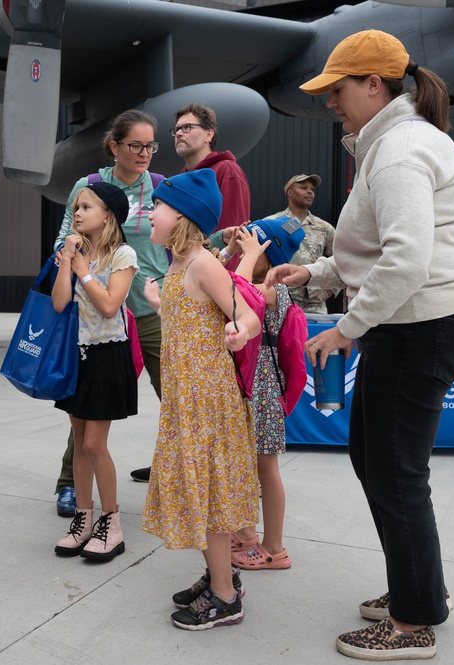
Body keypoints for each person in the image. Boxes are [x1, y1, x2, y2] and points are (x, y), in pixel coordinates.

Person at [267, 30, 454, 659]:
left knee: (394, 472)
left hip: (419, 328)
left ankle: (413, 623)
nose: (330, 101)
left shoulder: (399, 150)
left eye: (336, 89)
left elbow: (407, 260)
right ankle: (419, 589)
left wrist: (346, 327)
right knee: (377, 460)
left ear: (372, 85)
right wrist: (315, 274)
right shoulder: (389, 144)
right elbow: (372, 252)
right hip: (418, 324)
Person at [141, 168, 262, 632]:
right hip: (185, 400)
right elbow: (189, 315)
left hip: (207, 401)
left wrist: (239, 332)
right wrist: (157, 302)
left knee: (209, 494)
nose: (151, 213)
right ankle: (220, 574)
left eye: (158, 206)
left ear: (184, 216)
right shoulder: (176, 265)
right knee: (198, 489)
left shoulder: (203, 263)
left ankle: (226, 598)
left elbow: (247, 314)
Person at [50, 110, 170, 516]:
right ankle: (69, 484)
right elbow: (66, 232)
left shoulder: (160, 187)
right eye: (135, 145)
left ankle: (179, 479)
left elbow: (179, 236)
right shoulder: (90, 187)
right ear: (115, 146)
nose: (144, 153)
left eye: (150, 145)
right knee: (85, 406)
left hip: (149, 308)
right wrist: (70, 257)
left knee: (173, 397)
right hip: (95, 313)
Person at [52, 181, 139, 563]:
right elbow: (58, 305)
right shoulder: (76, 253)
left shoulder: (123, 254)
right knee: (77, 439)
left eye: (86, 207)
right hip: (77, 355)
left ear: (108, 214)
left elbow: (108, 306)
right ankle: (83, 519)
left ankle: (111, 522)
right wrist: (67, 262)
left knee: (93, 444)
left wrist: (84, 270)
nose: (78, 213)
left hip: (107, 356)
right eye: (76, 207)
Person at [222, 219, 304, 571]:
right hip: (248, 388)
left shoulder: (273, 292)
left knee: (266, 467)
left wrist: (244, 254)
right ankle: (246, 534)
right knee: (245, 465)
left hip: (263, 391)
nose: (244, 249)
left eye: (253, 246)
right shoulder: (257, 282)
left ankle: (275, 547)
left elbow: (233, 292)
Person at [171, 103, 250, 232]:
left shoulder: (227, 171)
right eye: (177, 129)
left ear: (208, 135)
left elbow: (232, 234)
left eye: (186, 127)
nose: (179, 133)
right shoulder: (179, 179)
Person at [263, 175, 336, 314]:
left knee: (314, 336)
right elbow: (258, 260)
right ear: (290, 192)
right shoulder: (271, 224)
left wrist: (329, 291)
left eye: (312, 189)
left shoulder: (325, 228)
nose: (310, 192)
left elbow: (341, 260)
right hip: (280, 300)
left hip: (314, 305)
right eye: (303, 188)